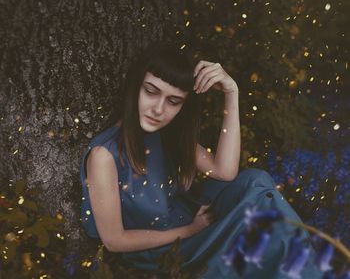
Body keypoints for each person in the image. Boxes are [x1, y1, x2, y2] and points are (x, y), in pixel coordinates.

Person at [80, 41, 324, 278]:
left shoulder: (165, 133)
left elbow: (224, 171)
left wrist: (232, 93)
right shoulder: (104, 155)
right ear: (135, 87)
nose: (158, 109)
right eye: (151, 92)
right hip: (163, 249)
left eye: (173, 101)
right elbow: (114, 241)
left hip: (189, 217)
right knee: (264, 227)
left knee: (257, 183)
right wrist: (188, 230)